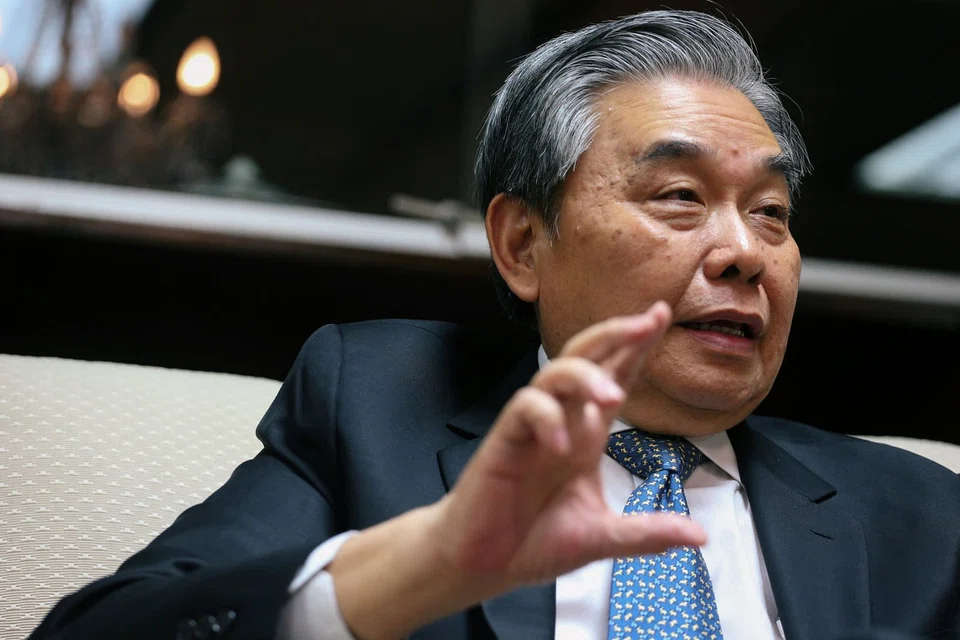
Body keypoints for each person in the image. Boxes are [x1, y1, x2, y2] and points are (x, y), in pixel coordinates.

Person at [30, 10, 959, 640]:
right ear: (522, 244)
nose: (746, 253)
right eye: (680, 195)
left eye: (772, 213)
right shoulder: (377, 409)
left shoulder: (919, 514)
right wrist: (424, 564)